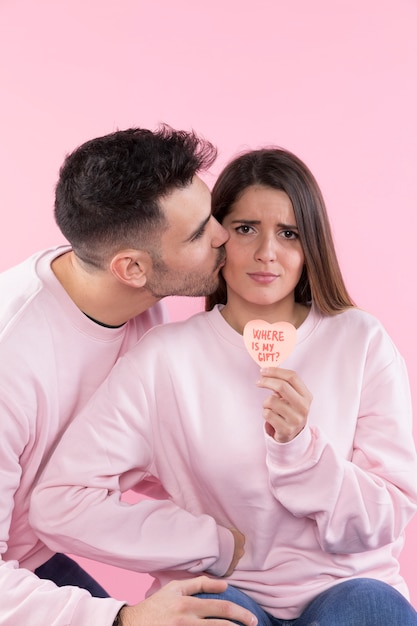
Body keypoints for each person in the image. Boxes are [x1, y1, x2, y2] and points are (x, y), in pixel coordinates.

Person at [30, 147, 417, 625]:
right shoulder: (163, 358)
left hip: (348, 591)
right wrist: (204, 541)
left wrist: (301, 451)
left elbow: (385, 517)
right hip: (229, 590)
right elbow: (60, 502)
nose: (266, 253)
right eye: (246, 229)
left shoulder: (361, 341)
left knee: (373, 608)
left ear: (312, 245)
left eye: (290, 233)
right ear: (217, 237)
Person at [0, 126, 256, 626]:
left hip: (33, 561)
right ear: (132, 268)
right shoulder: (12, 360)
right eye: (200, 232)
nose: (223, 236)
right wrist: (123, 619)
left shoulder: (139, 306)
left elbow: (142, 450)